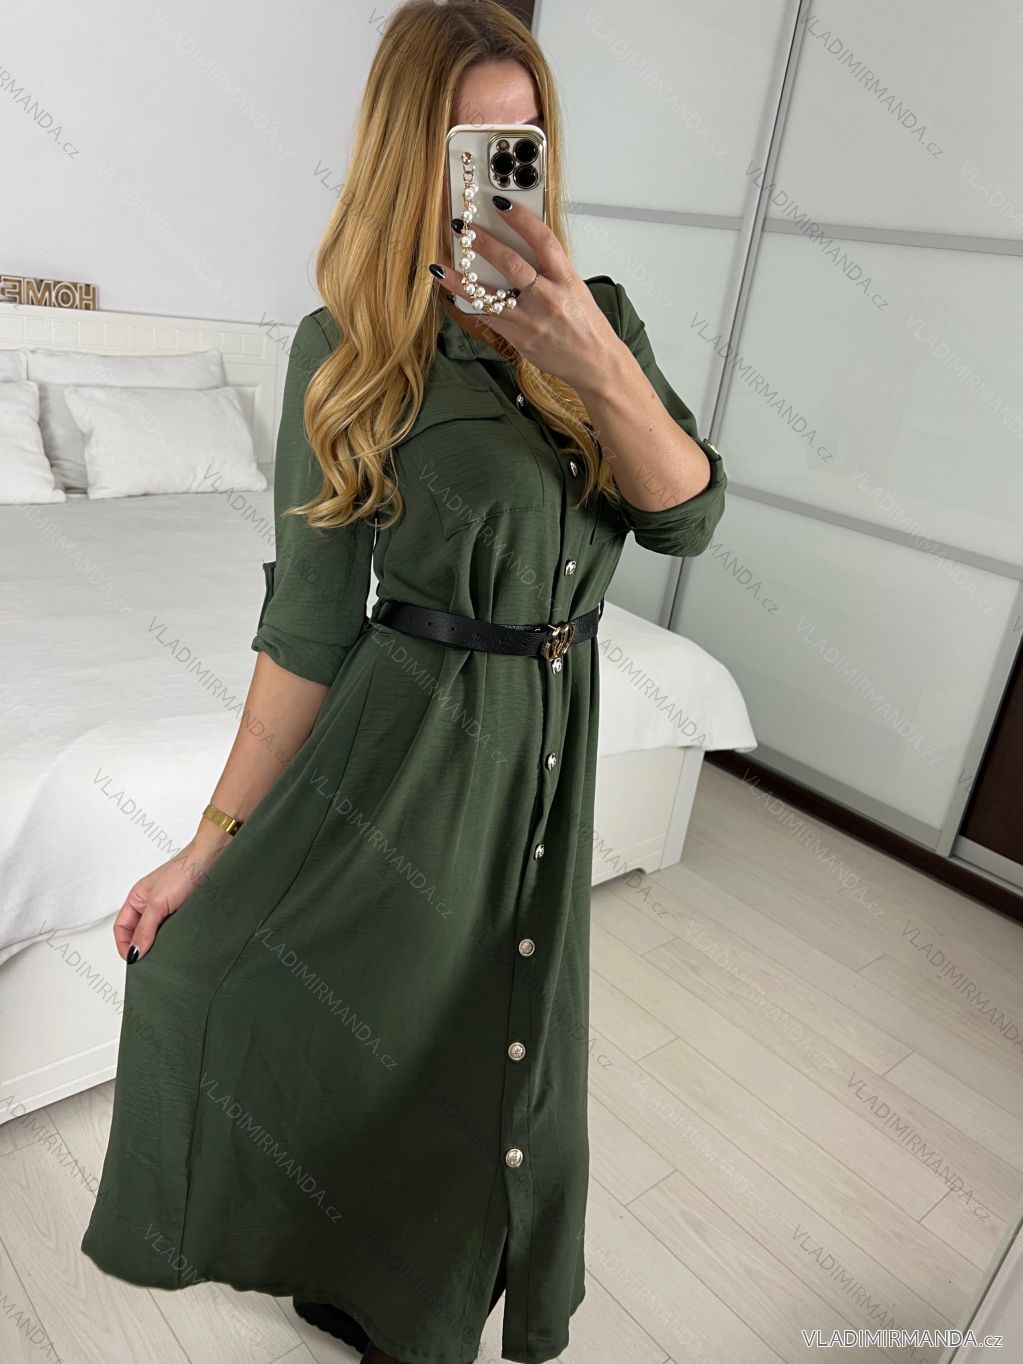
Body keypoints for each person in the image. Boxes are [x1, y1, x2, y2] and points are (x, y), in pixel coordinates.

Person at [79, 3, 727, 1362]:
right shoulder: (345, 348)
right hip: (407, 745)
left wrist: (590, 357)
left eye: (520, 140)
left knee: (491, 1041)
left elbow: (687, 518)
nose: (496, 170)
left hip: (545, 732)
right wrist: (207, 845)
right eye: (465, 142)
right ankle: (346, 1268)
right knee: (343, 1015)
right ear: (402, 153)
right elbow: (308, 630)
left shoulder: (601, 323)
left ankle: (415, 1301)